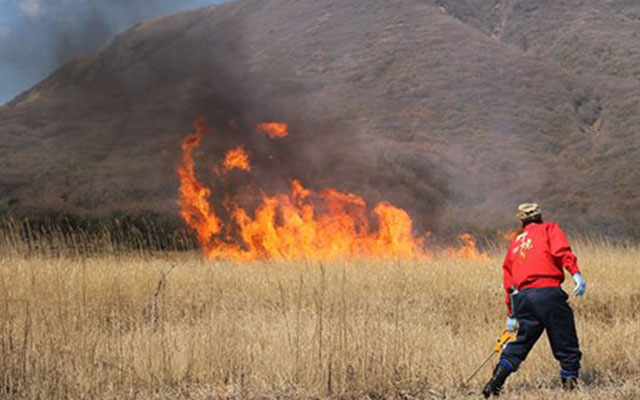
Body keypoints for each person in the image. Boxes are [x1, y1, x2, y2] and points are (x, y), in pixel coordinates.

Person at [482, 203, 587, 398]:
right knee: (566, 342)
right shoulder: (549, 228)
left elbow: (509, 281)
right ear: (539, 216)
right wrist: (575, 273)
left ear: (521, 221)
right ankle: (571, 389)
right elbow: (562, 251)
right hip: (547, 293)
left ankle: (494, 384)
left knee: (521, 342)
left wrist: (511, 314)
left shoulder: (515, 242)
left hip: (523, 299)